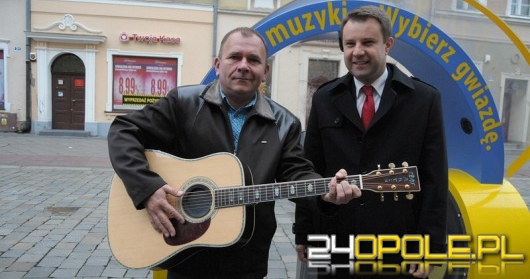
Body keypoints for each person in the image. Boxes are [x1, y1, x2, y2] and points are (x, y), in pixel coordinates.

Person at [107, 27, 361, 279]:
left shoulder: (285, 123)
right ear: (218, 65)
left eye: (253, 60)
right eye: (234, 57)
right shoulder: (183, 103)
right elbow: (124, 130)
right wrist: (147, 188)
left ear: (265, 72)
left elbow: (296, 173)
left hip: (246, 261)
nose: (243, 66)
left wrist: (325, 192)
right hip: (185, 255)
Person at [295, 5, 448, 278]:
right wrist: (304, 232)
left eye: (367, 42)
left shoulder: (424, 100)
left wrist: (431, 246)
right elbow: (311, 170)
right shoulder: (324, 99)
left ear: (387, 44)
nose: (358, 52)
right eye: (350, 44)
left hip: (398, 245)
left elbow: (435, 178)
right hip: (338, 242)